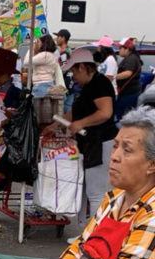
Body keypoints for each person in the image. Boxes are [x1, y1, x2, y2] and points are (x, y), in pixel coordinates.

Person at [61, 106, 155, 259]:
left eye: (127, 150)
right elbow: (78, 249)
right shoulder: (114, 200)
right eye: (115, 146)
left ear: (152, 164)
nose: (114, 156)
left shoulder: (151, 213)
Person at [44, 47, 117, 232]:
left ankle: (96, 237)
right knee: (86, 190)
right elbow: (75, 112)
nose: (73, 76)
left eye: (75, 71)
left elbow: (105, 112)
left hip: (101, 143)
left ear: (84, 67)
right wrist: (55, 126)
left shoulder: (100, 84)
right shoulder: (88, 87)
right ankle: (85, 232)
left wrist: (81, 123)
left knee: (96, 193)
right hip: (90, 144)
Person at [115, 37, 142, 120]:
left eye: (120, 48)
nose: (119, 50)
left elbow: (128, 73)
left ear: (127, 49)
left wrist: (113, 77)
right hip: (129, 92)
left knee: (124, 116)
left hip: (128, 93)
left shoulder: (131, 59)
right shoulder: (132, 58)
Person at [23, 34, 58, 98]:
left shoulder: (44, 55)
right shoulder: (49, 54)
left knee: (38, 107)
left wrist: (31, 48)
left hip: (42, 85)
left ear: (43, 43)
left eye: (38, 42)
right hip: (45, 84)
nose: (36, 43)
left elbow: (26, 62)